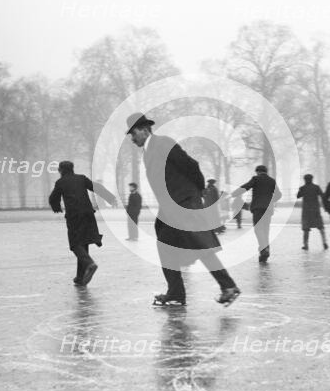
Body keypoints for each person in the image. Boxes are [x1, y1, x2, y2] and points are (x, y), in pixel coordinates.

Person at [127, 112, 240, 306]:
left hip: (183, 202)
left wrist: (196, 192)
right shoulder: (148, 151)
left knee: (198, 243)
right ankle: (176, 293)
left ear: (145, 130)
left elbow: (191, 165)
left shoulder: (162, 143)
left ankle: (227, 286)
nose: (132, 138)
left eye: (134, 133)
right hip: (171, 206)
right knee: (166, 246)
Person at [49, 161, 117, 286]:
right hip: (88, 214)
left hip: (74, 216)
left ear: (61, 170)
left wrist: (56, 207)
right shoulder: (81, 178)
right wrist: (110, 198)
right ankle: (80, 277)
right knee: (84, 243)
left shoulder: (61, 182)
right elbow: (96, 187)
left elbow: (53, 198)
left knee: (75, 244)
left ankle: (90, 264)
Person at [232, 165, 282, 263]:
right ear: (266, 171)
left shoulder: (256, 179)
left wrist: (235, 193)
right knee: (265, 230)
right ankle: (265, 253)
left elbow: (246, 187)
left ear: (258, 171)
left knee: (258, 229)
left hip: (258, 208)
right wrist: (271, 201)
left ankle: (263, 250)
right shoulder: (272, 181)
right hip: (268, 209)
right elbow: (279, 195)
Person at [297, 174, 328, 251]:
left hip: (306, 211)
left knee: (306, 229)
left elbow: (298, 196)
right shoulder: (316, 187)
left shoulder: (302, 188)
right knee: (321, 227)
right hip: (315, 210)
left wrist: (300, 190)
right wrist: (325, 206)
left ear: (305, 180)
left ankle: (305, 244)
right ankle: (324, 242)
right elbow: (323, 196)